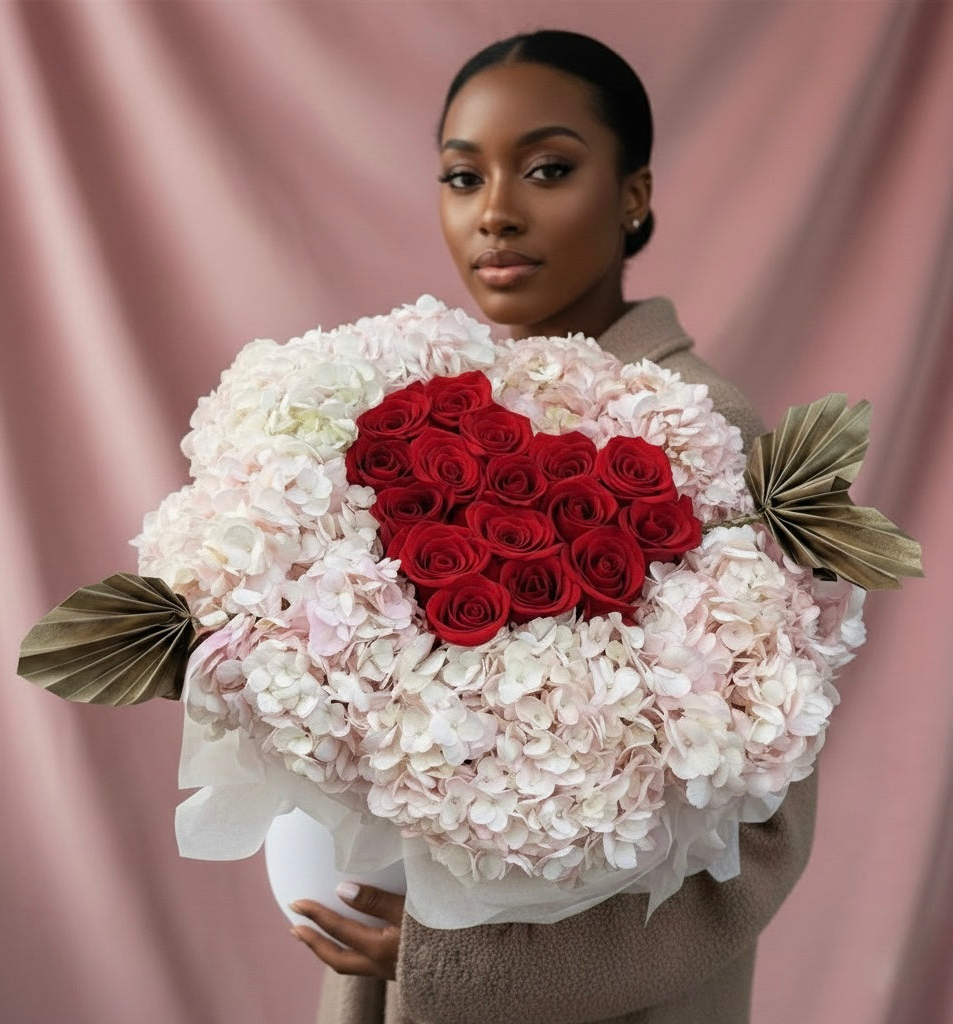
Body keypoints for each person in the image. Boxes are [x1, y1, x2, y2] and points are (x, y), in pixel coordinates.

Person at [288, 30, 818, 1024]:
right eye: (460, 175)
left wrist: (461, 956)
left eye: (547, 169)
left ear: (632, 195)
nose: (494, 212)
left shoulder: (701, 433)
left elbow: (763, 828)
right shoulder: (419, 418)